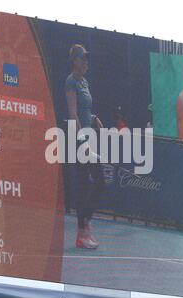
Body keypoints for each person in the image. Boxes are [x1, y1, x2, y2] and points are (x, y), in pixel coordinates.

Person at [65, 44, 104, 249]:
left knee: (99, 182)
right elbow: (73, 114)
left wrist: (95, 118)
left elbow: (85, 109)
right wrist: (83, 141)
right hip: (78, 139)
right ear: (75, 61)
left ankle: (86, 223)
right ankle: (81, 234)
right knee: (84, 185)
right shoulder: (71, 82)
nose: (87, 62)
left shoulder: (85, 82)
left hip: (87, 135)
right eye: (84, 58)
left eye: (87, 58)